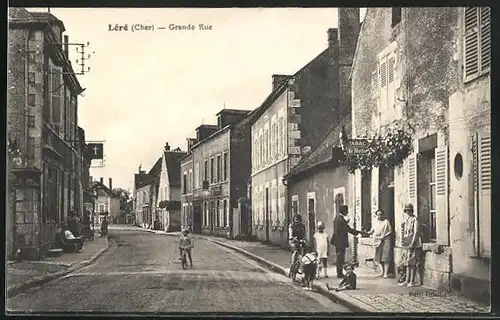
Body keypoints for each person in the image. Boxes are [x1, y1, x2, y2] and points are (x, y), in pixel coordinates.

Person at [332, 205, 365, 278]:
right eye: (346, 211)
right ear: (343, 211)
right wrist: (359, 232)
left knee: (340, 258)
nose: (347, 212)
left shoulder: (338, 218)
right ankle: (339, 274)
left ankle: (339, 273)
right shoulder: (340, 220)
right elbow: (348, 229)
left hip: (338, 241)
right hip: (340, 242)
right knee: (340, 258)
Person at [365, 209, 393, 278]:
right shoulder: (375, 223)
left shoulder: (386, 222)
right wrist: (365, 233)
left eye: (381, 214)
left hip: (385, 241)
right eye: (378, 215)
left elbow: (390, 231)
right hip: (377, 241)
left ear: (383, 215)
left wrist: (384, 236)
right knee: (378, 257)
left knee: (385, 257)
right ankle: (382, 272)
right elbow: (371, 231)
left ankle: (386, 273)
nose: (379, 216)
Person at [399, 204, 422, 287]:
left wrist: (413, 243)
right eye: (406, 210)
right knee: (407, 262)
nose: (407, 212)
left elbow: (416, 232)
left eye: (409, 210)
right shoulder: (407, 219)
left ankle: (412, 281)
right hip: (407, 242)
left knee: (412, 262)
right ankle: (407, 280)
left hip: (414, 243)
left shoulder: (415, 219)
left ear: (412, 211)